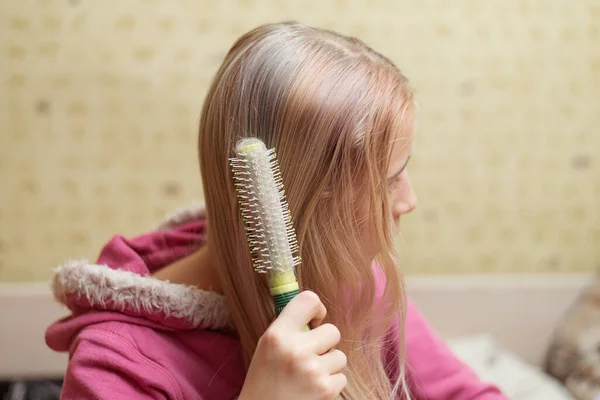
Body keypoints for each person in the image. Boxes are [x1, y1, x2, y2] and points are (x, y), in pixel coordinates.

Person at [46, 22, 507, 399]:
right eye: (389, 180)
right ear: (308, 202)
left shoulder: (356, 283)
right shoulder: (117, 366)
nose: (409, 201)